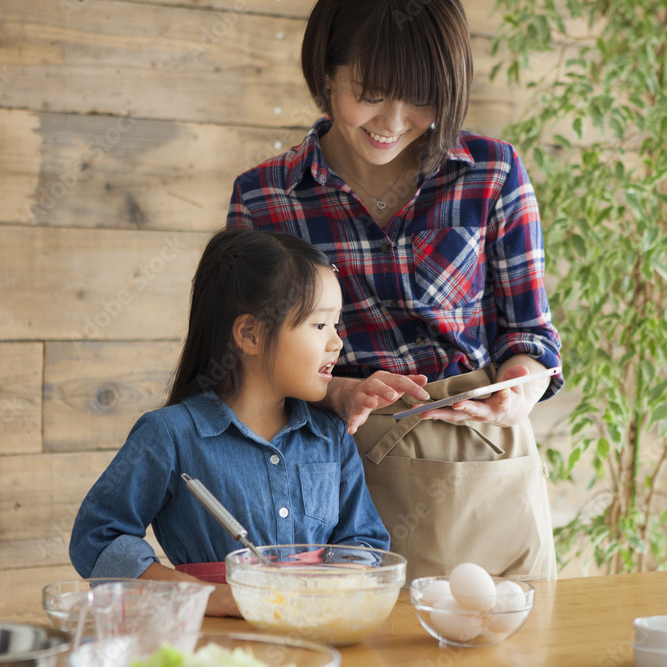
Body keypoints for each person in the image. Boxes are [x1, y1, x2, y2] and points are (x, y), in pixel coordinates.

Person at [227, 0, 564, 581]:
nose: (393, 120)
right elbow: (247, 366)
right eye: (372, 92)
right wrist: (338, 394)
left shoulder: (493, 173)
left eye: (420, 98)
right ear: (326, 72)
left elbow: (529, 333)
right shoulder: (266, 198)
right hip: (327, 469)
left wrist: (520, 388)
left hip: (475, 463)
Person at [69, 229, 391, 617]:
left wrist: (326, 588)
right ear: (250, 334)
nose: (336, 343)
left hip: (316, 631)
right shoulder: (170, 435)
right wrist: (207, 597)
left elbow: (365, 541)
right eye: (319, 325)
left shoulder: (331, 436)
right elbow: (96, 539)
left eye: (335, 326)